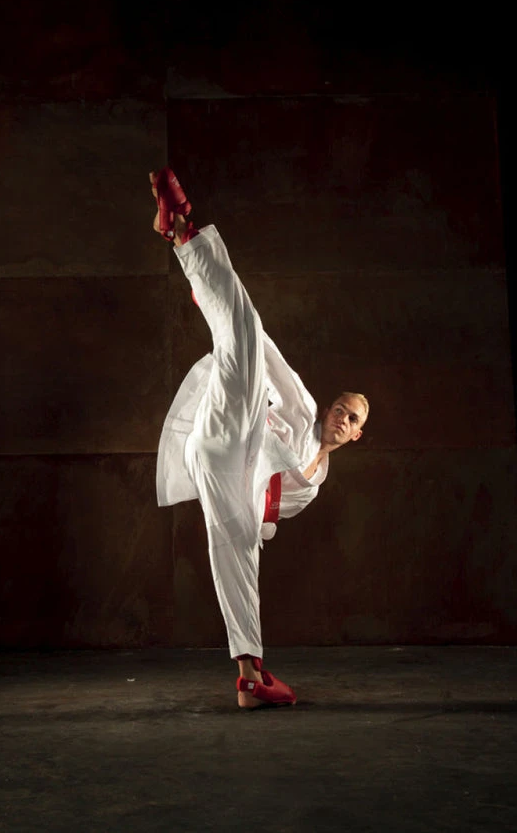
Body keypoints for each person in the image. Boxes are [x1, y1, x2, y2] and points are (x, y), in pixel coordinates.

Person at [151, 167, 369, 709]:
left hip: (230, 479)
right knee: (246, 334)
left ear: (356, 434)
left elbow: (262, 517)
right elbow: (266, 354)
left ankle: (250, 676)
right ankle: (181, 232)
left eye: (352, 418)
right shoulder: (303, 410)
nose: (340, 417)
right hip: (233, 430)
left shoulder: (313, 486)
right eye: (340, 407)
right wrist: (219, 310)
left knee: (238, 550)